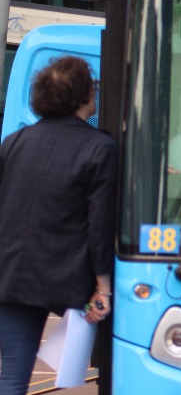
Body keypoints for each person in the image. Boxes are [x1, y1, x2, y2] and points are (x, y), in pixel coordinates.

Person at [0, 56, 118, 395]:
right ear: (83, 95)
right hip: (67, 278)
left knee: (13, 375)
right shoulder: (100, 148)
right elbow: (99, 225)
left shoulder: (15, 141)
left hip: (12, 272)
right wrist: (104, 289)